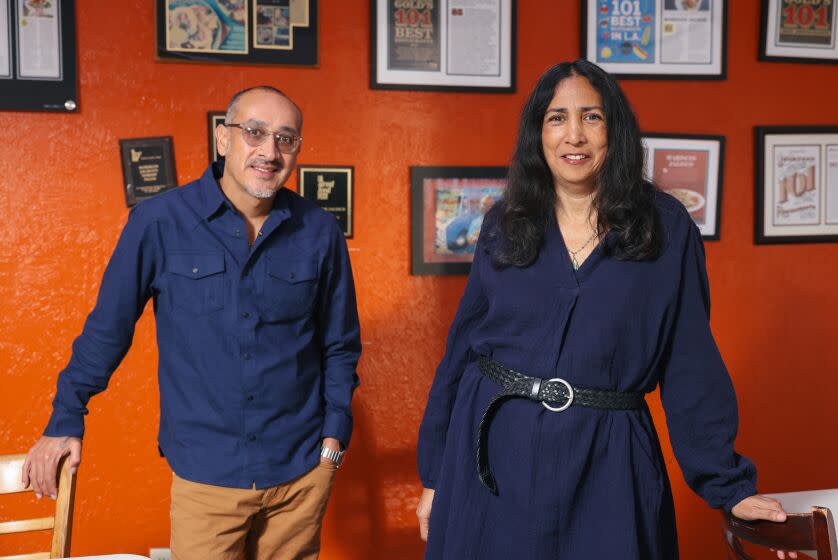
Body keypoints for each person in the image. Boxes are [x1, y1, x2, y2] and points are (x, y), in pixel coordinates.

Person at [415, 60, 788, 559]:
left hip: (607, 460)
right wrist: (435, 475)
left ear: (616, 129)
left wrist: (730, 486)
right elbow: (462, 352)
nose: (574, 135)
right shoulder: (505, 222)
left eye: (591, 117)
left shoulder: (667, 228)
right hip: (492, 458)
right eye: (556, 118)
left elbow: (690, 362)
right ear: (537, 134)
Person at [22, 86, 361, 560]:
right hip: (206, 475)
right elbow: (108, 328)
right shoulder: (159, 222)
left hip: (301, 475)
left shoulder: (320, 231)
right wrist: (65, 419)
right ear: (224, 139)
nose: (270, 151)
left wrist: (333, 442)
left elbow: (340, 344)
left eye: (286, 139)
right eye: (255, 133)